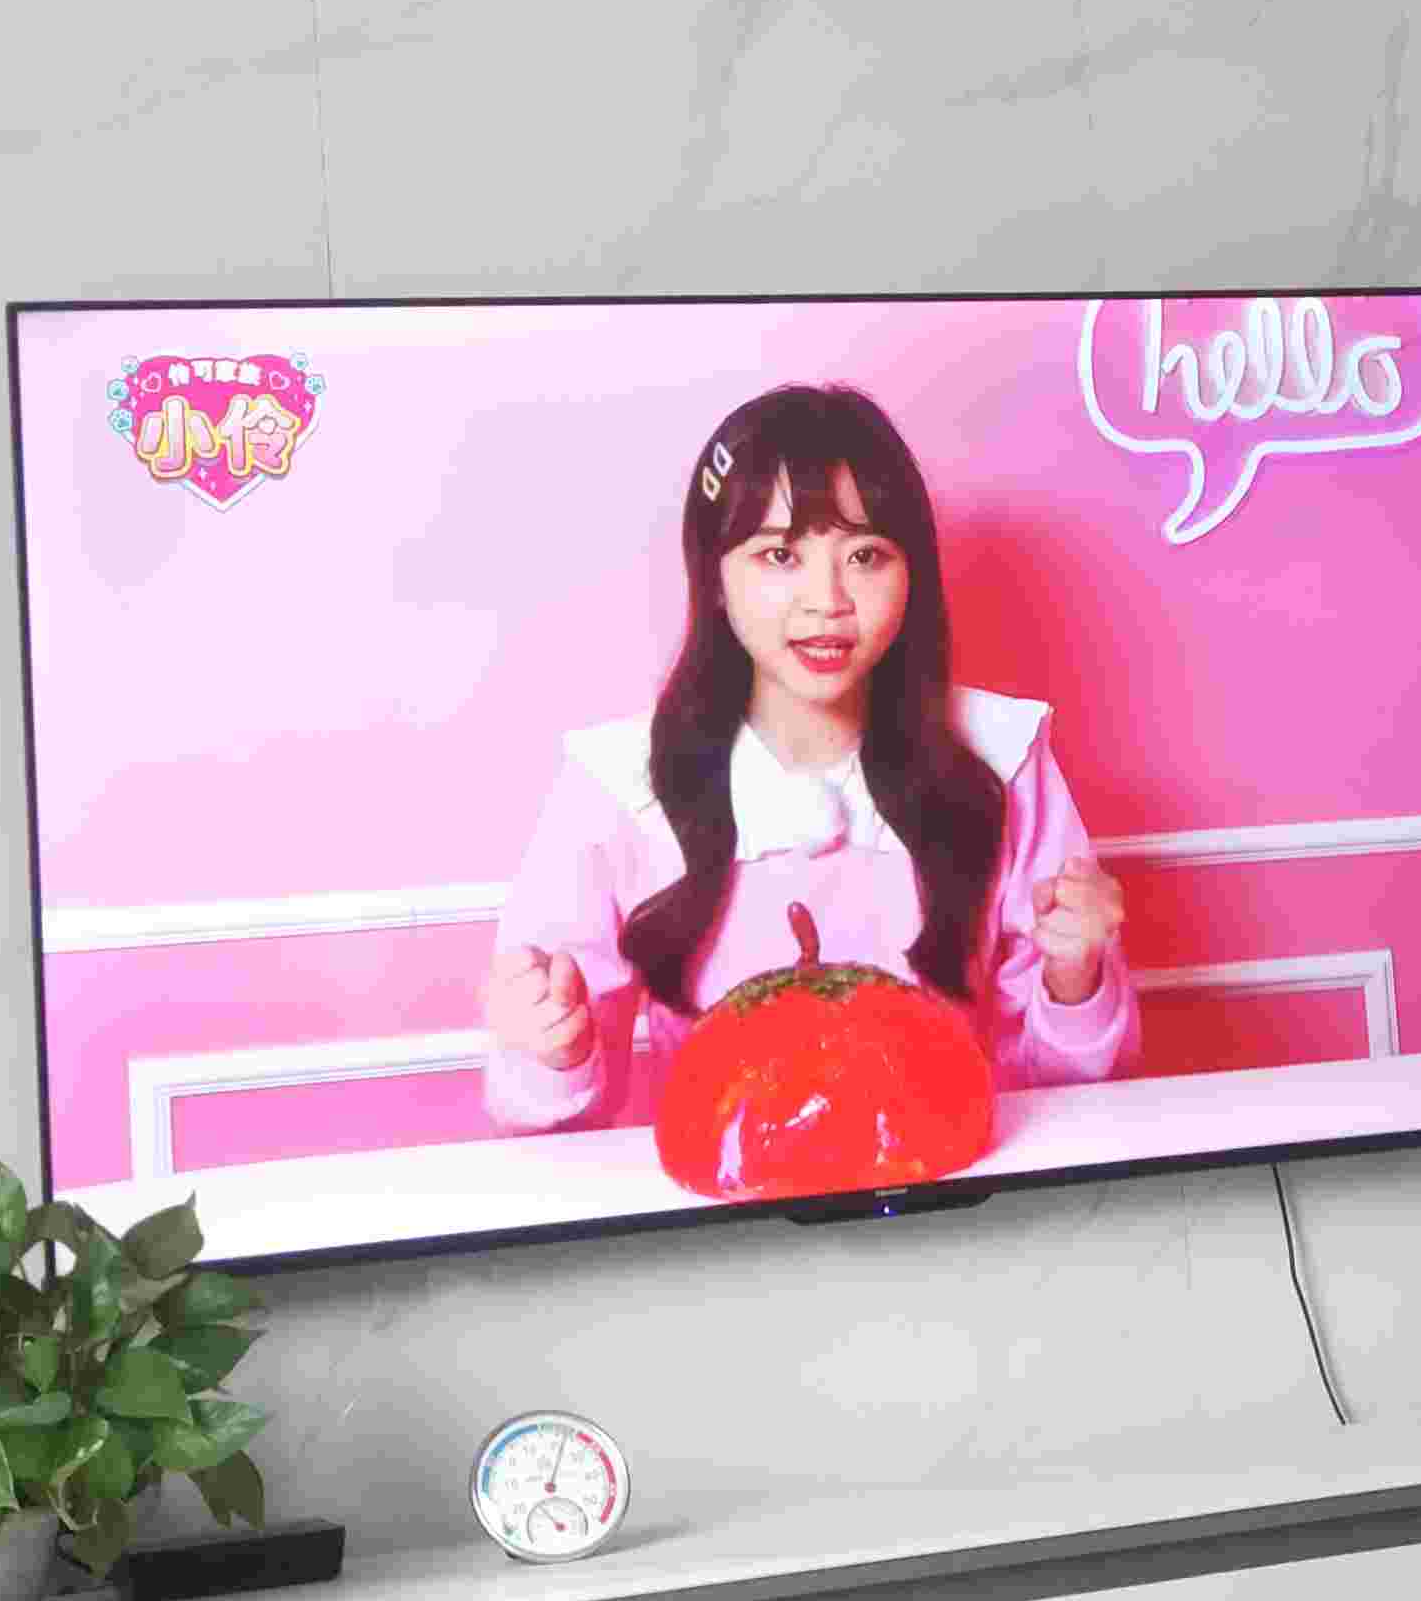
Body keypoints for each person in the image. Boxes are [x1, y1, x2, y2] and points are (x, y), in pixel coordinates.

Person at [480, 382, 1135, 1137]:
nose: (827, 600)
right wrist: (555, 1050)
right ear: (714, 576)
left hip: (945, 1180)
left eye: (865, 555)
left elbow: (1064, 1102)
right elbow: (554, 1125)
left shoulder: (1000, 756)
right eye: (780, 555)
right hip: (727, 1190)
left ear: (913, 574)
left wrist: (1076, 977)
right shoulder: (617, 783)